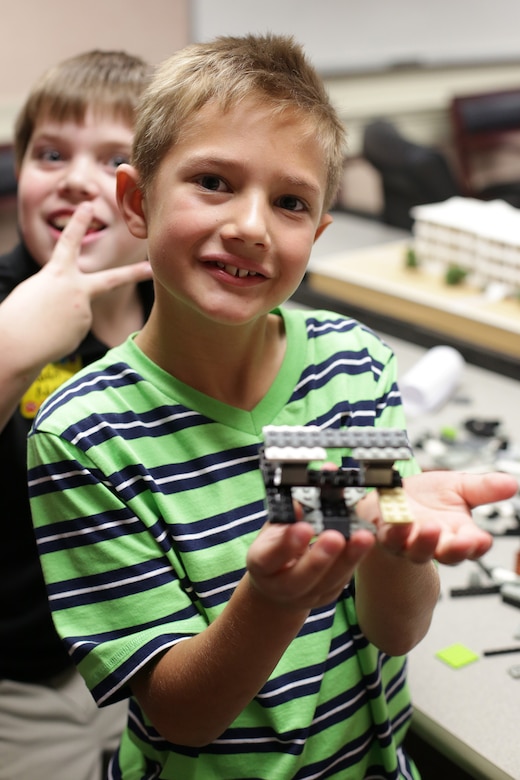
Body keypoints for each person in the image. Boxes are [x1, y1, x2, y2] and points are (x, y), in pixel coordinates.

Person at [26, 35, 517, 780]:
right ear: (137, 201)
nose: (253, 226)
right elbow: (182, 714)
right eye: (215, 182)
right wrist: (273, 599)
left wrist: (394, 539)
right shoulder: (85, 433)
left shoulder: (351, 366)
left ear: (316, 235)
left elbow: (396, 629)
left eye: (290, 202)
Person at [0, 50, 153, 780]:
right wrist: (11, 353)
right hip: (24, 687)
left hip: (151, 655)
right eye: (49, 153)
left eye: (115, 158)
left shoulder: (176, 317)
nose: (75, 180)